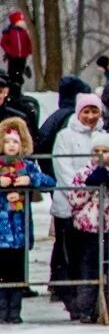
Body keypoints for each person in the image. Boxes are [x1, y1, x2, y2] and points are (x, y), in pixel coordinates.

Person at [48, 93, 106, 314]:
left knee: (88, 256)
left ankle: (87, 302)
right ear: (78, 112)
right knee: (69, 255)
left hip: (95, 209)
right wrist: (83, 189)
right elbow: (63, 169)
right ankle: (72, 300)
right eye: (86, 112)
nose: (90, 116)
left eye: (94, 111)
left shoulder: (102, 135)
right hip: (69, 207)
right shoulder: (65, 136)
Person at [70, 131, 109, 323]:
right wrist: (89, 187)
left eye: (105, 151)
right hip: (90, 230)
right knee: (89, 270)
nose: (100, 155)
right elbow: (73, 199)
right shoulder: (83, 174)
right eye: (96, 150)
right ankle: (86, 309)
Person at [0, 116, 51, 323]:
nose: (11, 146)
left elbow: (49, 182)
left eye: (16, 141)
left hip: (20, 231)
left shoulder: (27, 166)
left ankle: (15, 311)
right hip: (1, 233)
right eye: (7, 141)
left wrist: (31, 180)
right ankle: (2, 310)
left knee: (18, 273)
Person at [0, 10, 33, 88]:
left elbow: (29, 42)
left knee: (20, 72)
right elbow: (3, 43)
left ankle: (18, 87)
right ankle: (12, 87)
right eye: (20, 20)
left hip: (23, 56)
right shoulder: (9, 31)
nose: (21, 22)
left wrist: (29, 50)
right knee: (12, 73)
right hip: (13, 56)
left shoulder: (24, 31)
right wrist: (9, 51)